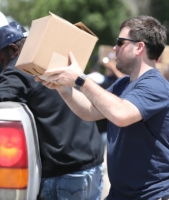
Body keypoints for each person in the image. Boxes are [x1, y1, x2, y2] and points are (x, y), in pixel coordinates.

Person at [36, 15, 169, 200]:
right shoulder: (124, 83)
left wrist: (80, 79)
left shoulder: (156, 84)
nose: (115, 48)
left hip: (157, 192)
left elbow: (121, 114)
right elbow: (90, 111)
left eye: (120, 42)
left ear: (139, 47)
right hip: (124, 193)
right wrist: (63, 88)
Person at [0, 14, 104, 200]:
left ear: (14, 49)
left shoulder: (18, 70)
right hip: (92, 165)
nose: (2, 67)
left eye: (0, 60)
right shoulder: (55, 60)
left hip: (64, 174)